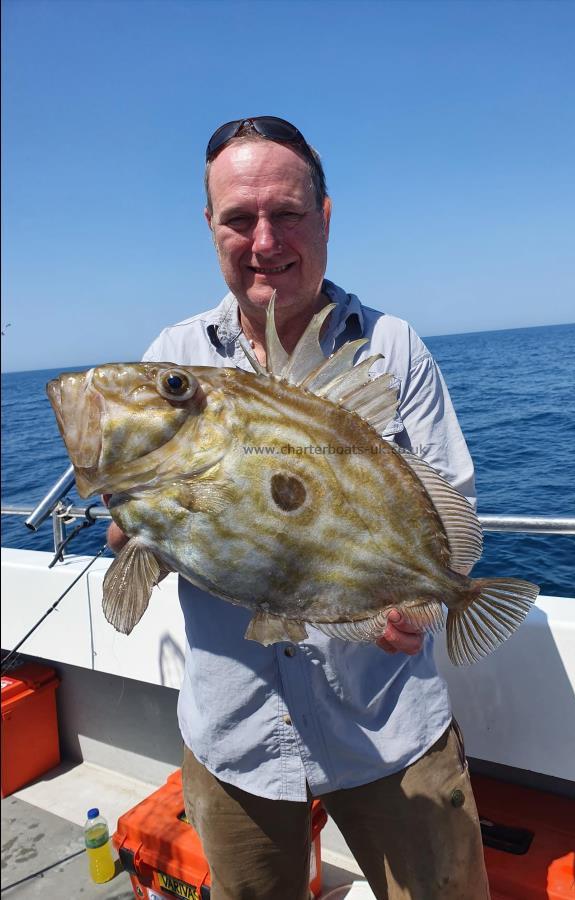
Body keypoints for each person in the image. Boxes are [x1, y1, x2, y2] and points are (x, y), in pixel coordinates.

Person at [107, 116, 489, 900]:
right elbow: (147, 527)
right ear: (209, 227)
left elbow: (450, 510)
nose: (263, 240)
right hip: (235, 733)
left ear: (323, 214)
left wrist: (415, 606)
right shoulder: (172, 361)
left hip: (388, 730)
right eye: (237, 219)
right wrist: (131, 531)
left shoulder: (392, 346)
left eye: (285, 213)